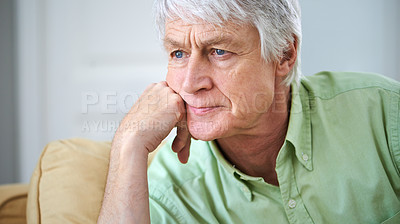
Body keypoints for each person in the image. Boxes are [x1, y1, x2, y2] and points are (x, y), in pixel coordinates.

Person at [98, 0, 400, 223]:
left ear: (284, 53)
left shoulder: (386, 115)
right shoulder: (173, 190)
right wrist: (129, 143)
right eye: (179, 53)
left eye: (219, 52)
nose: (190, 83)